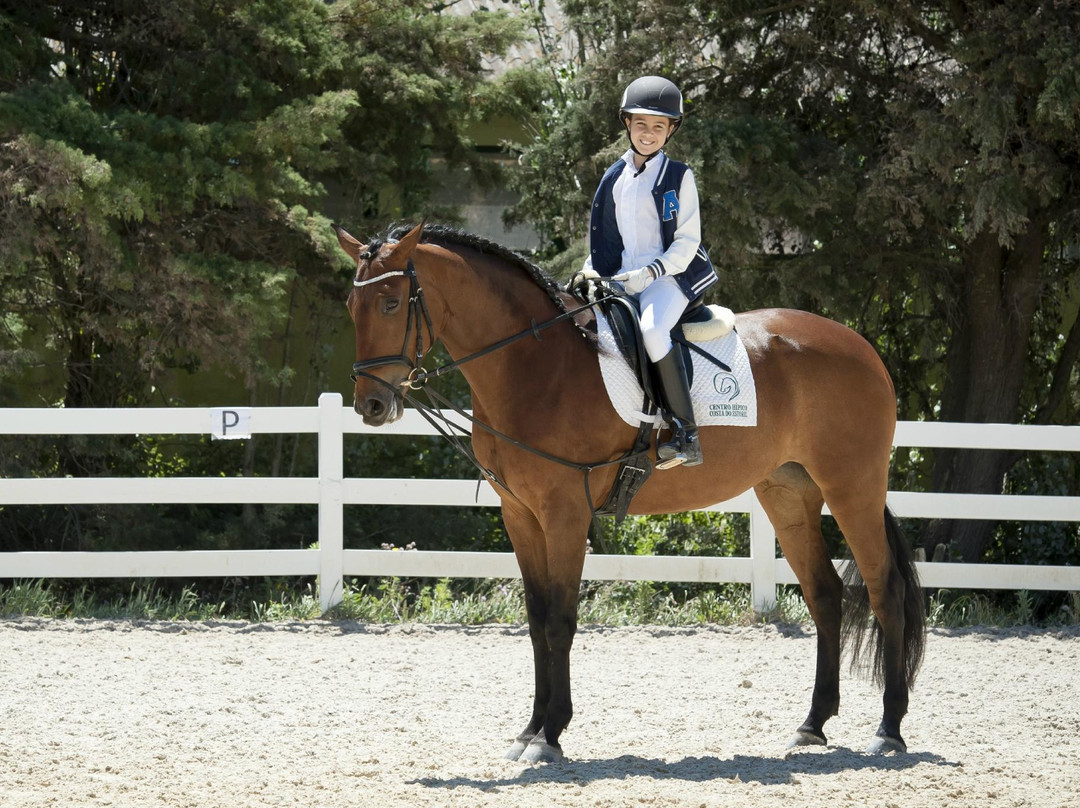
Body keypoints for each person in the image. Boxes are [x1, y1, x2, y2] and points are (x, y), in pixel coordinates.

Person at [582, 75, 718, 469]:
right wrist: (590, 270)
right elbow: (608, 238)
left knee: (654, 330)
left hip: (671, 277)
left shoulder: (679, 176)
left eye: (658, 126)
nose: (648, 133)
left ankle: (686, 433)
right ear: (627, 123)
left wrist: (652, 272)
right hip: (625, 276)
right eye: (640, 123)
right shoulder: (615, 177)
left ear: (670, 130)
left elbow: (687, 241)